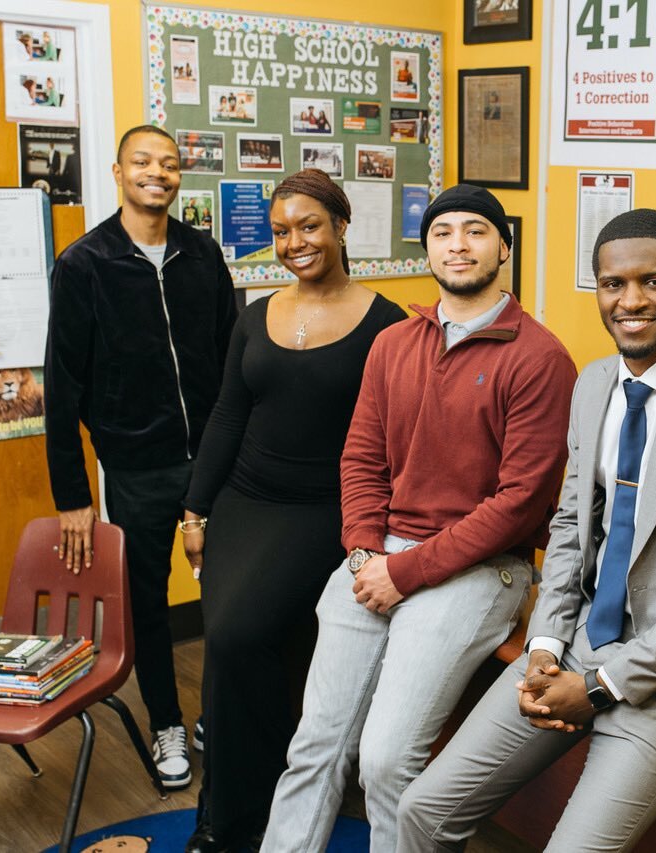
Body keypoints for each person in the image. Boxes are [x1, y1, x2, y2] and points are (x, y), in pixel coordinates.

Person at [397, 209, 656, 852]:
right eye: (613, 284)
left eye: (654, 282)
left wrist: (603, 686)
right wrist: (548, 644)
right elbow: (571, 526)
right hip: (577, 644)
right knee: (421, 810)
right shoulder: (594, 382)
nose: (631, 301)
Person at [262, 184, 577, 852]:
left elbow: (519, 503)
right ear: (426, 247)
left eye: (475, 231)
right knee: (313, 745)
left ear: (503, 247)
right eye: (443, 232)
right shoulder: (395, 343)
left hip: (481, 568)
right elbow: (360, 459)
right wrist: (362, 553)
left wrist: (403, 572)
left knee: (383, 758)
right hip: (378, 557)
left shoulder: (540, 358)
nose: (458, 245)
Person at [180, 170, 406, 852]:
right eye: (281, 231)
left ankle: (246, 812)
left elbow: (396, 441)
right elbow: (227, 416)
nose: (294, 242)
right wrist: (195, 510)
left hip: (326, 511)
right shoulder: (256, 315)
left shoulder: (387, 326)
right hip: (244, 501)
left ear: (341, 226)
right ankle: (226, 817)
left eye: (309, 225)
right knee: (230, 647)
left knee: (240, 636)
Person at [44, 125, 238, 790]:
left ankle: (219, 711)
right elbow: (62, 386)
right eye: (143, 162)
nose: (158, 172)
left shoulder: (203, 254)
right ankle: (167, 722)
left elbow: (232, 360)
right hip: (137, 467)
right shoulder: (83, 264)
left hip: (215, 460)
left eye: (170, 163)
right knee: (148, 604)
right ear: (118, 171)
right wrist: (73, 495)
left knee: (233, 593)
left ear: (180, 175)